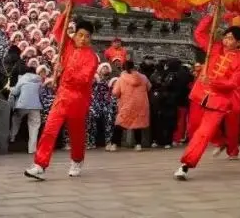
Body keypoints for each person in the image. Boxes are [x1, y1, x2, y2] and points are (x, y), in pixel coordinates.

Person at [24, 16, 99, 180]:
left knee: (76, 134)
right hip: (62, 97)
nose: (83, 39)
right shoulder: (68, 45)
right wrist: (66, 11)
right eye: (80, 35)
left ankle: (77, 160)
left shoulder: (92, 57)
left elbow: (84, 78)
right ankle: (40, 164)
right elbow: (58, 30)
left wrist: (64, 72)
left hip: (78, 99)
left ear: (90, 39)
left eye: (87, 36)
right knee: (49, 129)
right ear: (75, 35)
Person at [174, 24, 240, 181]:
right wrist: (212, 13)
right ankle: (220, 141)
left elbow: (234, 83)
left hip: (219, 101)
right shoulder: (214, 48)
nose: (226, 40)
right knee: (194, 127)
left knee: (203, 133)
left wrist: (213, 82)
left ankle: (186, 165)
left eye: (230, 38)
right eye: (225, 37)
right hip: (200, 94)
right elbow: (199, 33)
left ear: (239, 42)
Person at [109, 60, 150, 150]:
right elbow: (149, 87)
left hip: (127, 104)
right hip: (140, 103)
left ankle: (114, 144)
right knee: (137, 123)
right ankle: (138, 144)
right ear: (134, 67)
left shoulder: (121, 78)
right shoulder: (143, 77)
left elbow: (115, 92)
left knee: (120, 123)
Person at [9, 66, 43, 154]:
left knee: (16, 119)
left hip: (22, 105)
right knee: (34, 126)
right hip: (35, 106)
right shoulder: (39, 80)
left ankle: (12, 137)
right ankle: (32, 149)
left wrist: (10, 88)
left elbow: (15, 92)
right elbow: (40, 93)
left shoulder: (22, 78)